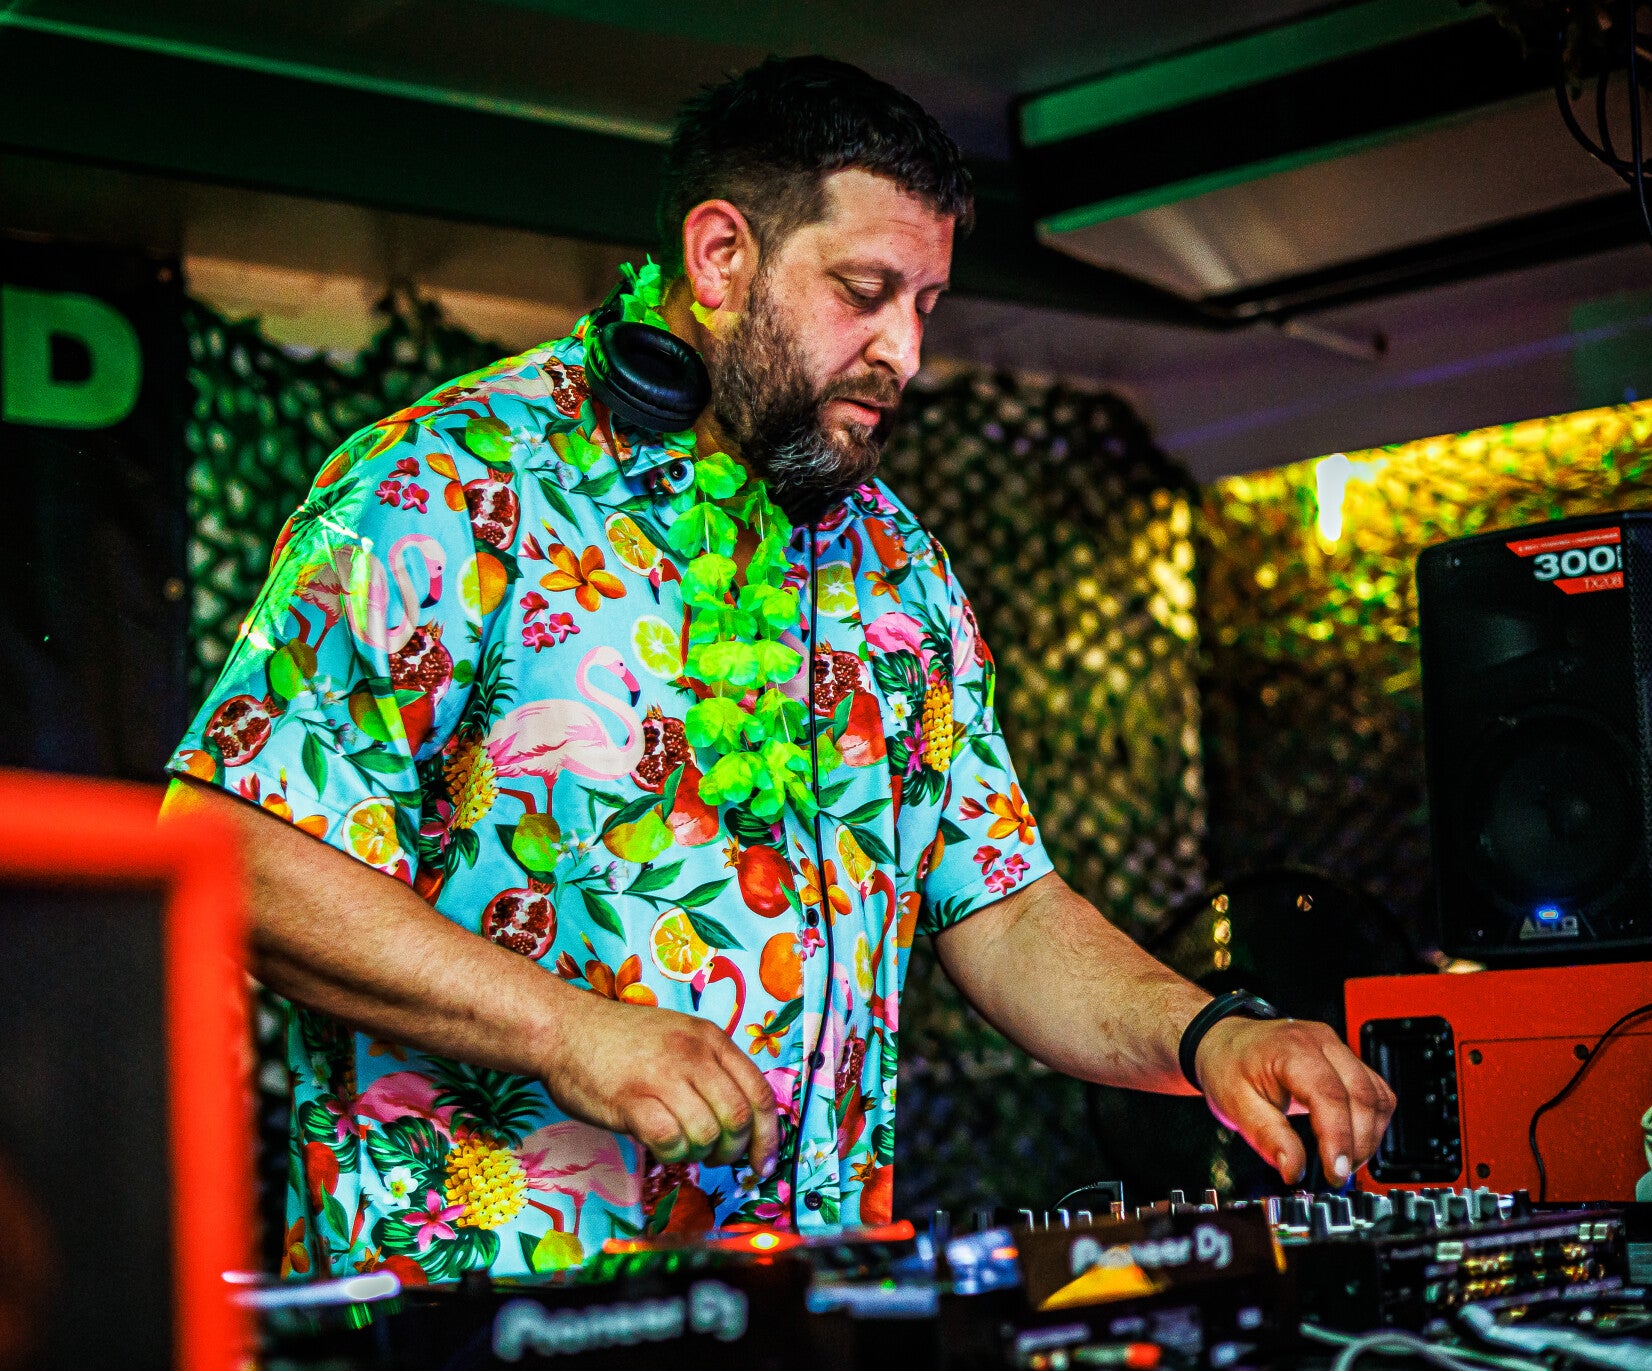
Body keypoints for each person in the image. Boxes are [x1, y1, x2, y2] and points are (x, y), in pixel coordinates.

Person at [162, 55, 1394, 1284]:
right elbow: (229, 849)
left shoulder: (895, 565)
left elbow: (1005, 908)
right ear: (719, 258)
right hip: (479, 1312)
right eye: (865, 291)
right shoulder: (450, 486)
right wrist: (564, 1031)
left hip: (808, 1302)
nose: (903, 351)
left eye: (926, 305)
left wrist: (1208, 1034)